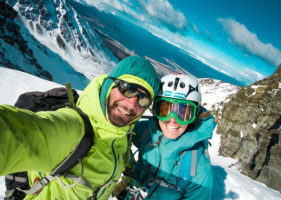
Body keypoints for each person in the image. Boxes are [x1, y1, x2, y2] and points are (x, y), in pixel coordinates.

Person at [0, 56, 160, 200]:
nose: (132, 104)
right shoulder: (71, 130)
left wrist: (128, 180)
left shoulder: (122, 134)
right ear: (111, 84)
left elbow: (123, 155)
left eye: (143, 98)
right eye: (128, 88)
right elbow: (15, 133)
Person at [116, 73, 217, 200]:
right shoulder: (147, 132)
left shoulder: (198, 169)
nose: (172, 120)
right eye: (165, 110)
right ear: (155, 111)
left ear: (194, 116)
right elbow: (116, 134)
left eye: (183, 113)